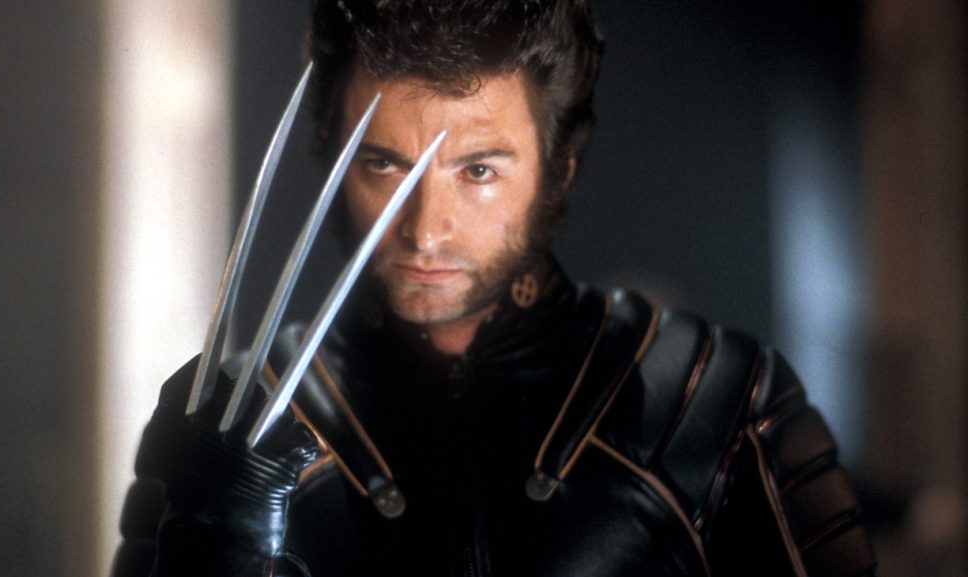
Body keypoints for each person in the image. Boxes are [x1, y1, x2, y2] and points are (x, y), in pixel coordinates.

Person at [112, 1, 877, 575]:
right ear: (333, 159)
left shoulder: (719, 397)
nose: (425, 229)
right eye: (383, 164)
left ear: (558, 170)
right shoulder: (230, 419)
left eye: (477, 169)